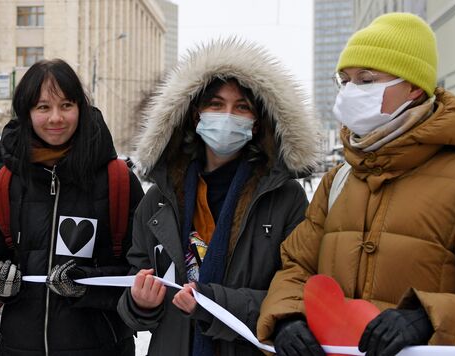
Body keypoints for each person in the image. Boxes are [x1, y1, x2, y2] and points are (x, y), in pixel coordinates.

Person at [257, 12, 455, 356]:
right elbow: (296, 268)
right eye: (346, 80)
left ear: (414, 87)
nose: (352, 91)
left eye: (367, 79)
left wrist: (429, 319)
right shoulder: (337, 181)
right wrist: (287, 318)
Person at [117, 38, 320, 356]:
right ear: (195, 114)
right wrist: (138, 302)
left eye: (242, 107)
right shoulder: (158, 200)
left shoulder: (285, 199)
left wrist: (212, 301)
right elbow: (135, 284)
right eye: (216, 104)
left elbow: (295, 290)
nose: (228, 115)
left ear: (256, 122)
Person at [0, 59, 144, 355]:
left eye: (66, 105)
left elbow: (142, 274)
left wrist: (86, 285)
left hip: (103, 347)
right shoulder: (6, 181)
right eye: (43, 107)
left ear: (80, 108)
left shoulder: (117, 180)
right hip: (18, 347)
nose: (56, 117)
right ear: (26, 113)